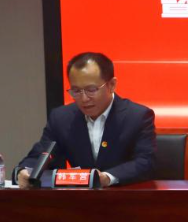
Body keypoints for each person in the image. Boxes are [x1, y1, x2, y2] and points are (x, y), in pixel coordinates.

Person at [16, 52, 156, 188]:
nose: (84, 99)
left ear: (112, 85)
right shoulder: (61, 118)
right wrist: (23, 172)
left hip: (124, 197)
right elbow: (39, 155)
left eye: (91, 90)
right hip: (78, 200)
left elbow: (145, 162)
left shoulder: (137, 116)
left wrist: (107, 178)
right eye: (76, 91)